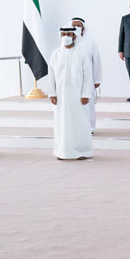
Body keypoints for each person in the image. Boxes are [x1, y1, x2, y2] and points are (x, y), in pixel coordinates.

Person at [49, 26, 93, 160]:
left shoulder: (82, 52)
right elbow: (51, 75)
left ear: (74, 36)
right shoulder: (56, 53)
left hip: (78, 95)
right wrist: (52, 93)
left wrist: (86, 94)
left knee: (79, 123)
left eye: (68, 34)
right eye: (63, 34)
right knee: (62, 123)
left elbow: (87, 74)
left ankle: (81, 151)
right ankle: (63, 151)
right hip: (61, 96)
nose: (65, 37)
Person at [71, 16, 102, 134]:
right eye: (73, 25)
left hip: (88, 79)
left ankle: (90, 128)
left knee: (88, 104)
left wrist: (97, 79)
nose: (76, 27)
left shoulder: (90, 43)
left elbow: (97, 61)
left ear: (83, 28)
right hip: (73, 80)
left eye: (78, 25)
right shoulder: (69, 42)